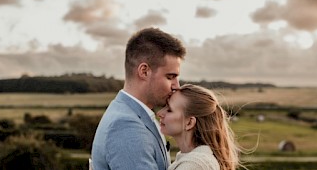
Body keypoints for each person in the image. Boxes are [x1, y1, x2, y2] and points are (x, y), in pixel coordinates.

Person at [91, 27, 186, 170]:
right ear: (144, 71)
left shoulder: (131, 113)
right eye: (170, 77)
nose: (176, 86)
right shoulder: (126, 127)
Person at [157, 84, 241, 170]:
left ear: (189, 123)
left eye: (169, 110)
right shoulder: (194, 160)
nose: (159, 113)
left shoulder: (195, 165)